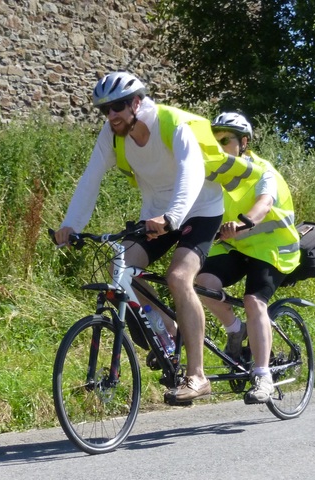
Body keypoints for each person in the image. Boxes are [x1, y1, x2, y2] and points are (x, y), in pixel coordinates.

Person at [55, 72, 250, 403]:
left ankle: (197, 376)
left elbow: (191, 171)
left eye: (117, 106)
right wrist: (71, 224)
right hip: (156, 215)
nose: (111, 115)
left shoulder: (170, 123)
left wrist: (173, 217)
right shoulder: (112, 135)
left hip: (200, 209)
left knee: (178, 277)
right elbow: (91, 178)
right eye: (105, 110)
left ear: (136, 102)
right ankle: (168, 333)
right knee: (122, 267)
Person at [196, 112, 300, 404]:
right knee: (200, 283)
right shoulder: (213, 173)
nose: (218, 145)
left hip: (272, 247)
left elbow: (264, 204)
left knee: (255, 301)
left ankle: (263, 375)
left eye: (225, 140)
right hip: (235, 246)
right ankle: (235, 329)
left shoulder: (262, 171)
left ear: (243, 143)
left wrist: (243, 223)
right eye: (214, 139)